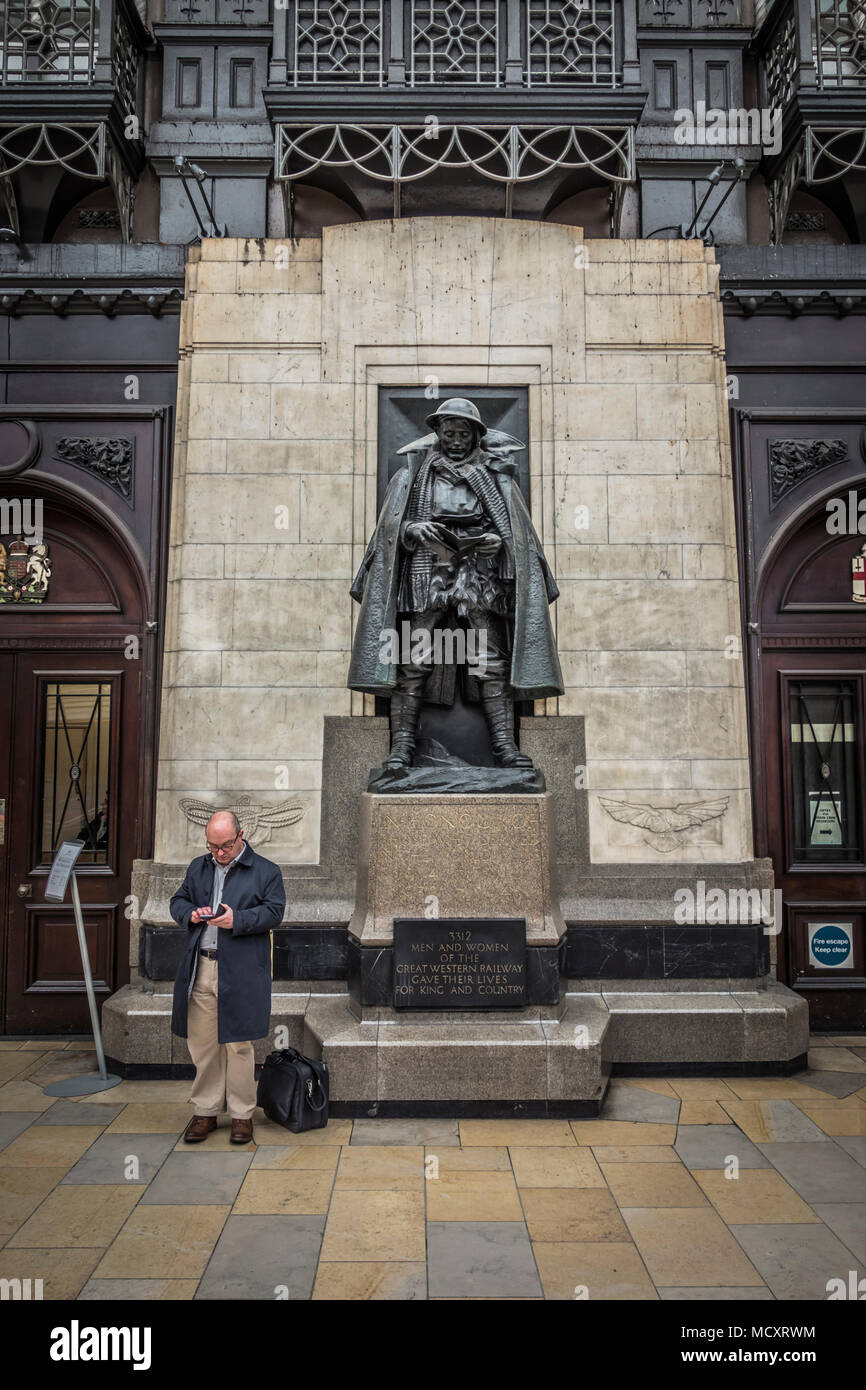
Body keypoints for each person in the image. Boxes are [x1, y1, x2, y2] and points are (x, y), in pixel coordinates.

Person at [348, 397, 563, 770]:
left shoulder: (495, 478)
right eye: (449, 433)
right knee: (414, 660)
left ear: (476, 436)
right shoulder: (412, 475)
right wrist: (413, 528)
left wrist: (498, 542)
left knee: (490, 662)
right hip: (426, 567)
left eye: (464, 434)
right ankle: (401, 750)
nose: (457, 440)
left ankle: (504, 748)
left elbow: (514, 532)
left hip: (479, 573)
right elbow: (390, 529)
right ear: (438, 433)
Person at [169, 810, 286, 1144]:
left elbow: (274, 912)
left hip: (242, 970)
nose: (219, 853)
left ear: (241, 836)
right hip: (201, 966)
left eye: (225, 845)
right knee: (203, 1045)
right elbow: (178, 900)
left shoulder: (266, 870)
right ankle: (205, 1110)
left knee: (238, 1045)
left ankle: (241, 1115)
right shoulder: (198, 866)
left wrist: (238, 919)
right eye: (213, 846)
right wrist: (188, 913)